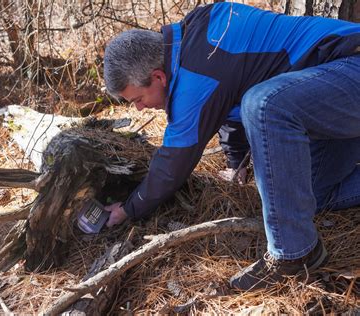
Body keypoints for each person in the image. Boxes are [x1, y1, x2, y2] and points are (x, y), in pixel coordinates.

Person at [102, 2, 360, 291]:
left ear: (158, 77)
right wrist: (236, 163)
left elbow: (173, 164)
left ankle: (294, 254)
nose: (139, 108)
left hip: (351, 67)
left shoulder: (196, 72)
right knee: (310, 194)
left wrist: (129, 209)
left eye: (137, 99)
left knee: (265, 105)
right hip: (333, 95)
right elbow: (229, 97)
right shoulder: (197, 37)